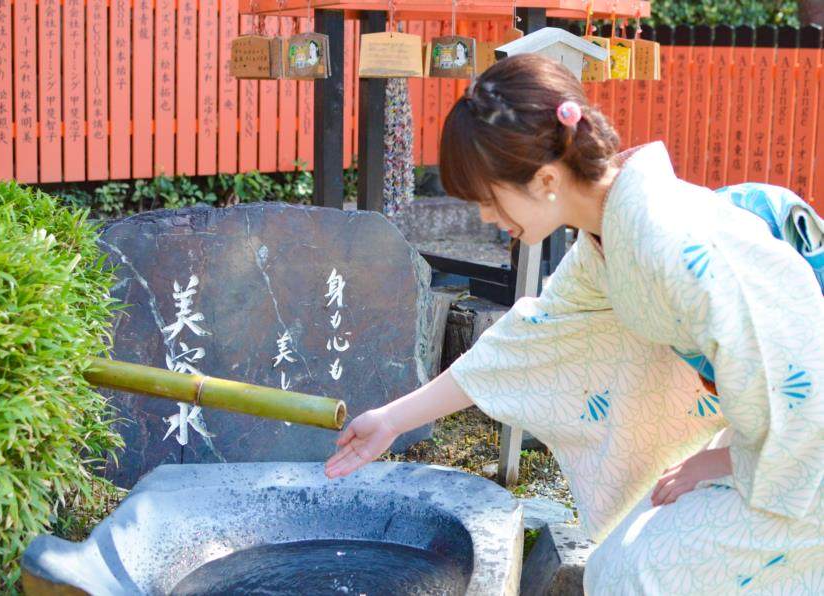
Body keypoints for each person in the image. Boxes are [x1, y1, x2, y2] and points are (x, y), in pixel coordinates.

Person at [324, 53, 824, 594]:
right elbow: (527, 339)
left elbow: (802, 371)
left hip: (800, 453)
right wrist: (393, 421)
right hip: (775, 436)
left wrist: (725, 460)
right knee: (617, 568)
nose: (488, 218)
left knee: (641, 576)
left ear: (543, 179)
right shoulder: (608, 235)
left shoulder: (671, 242)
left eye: (489, 200)